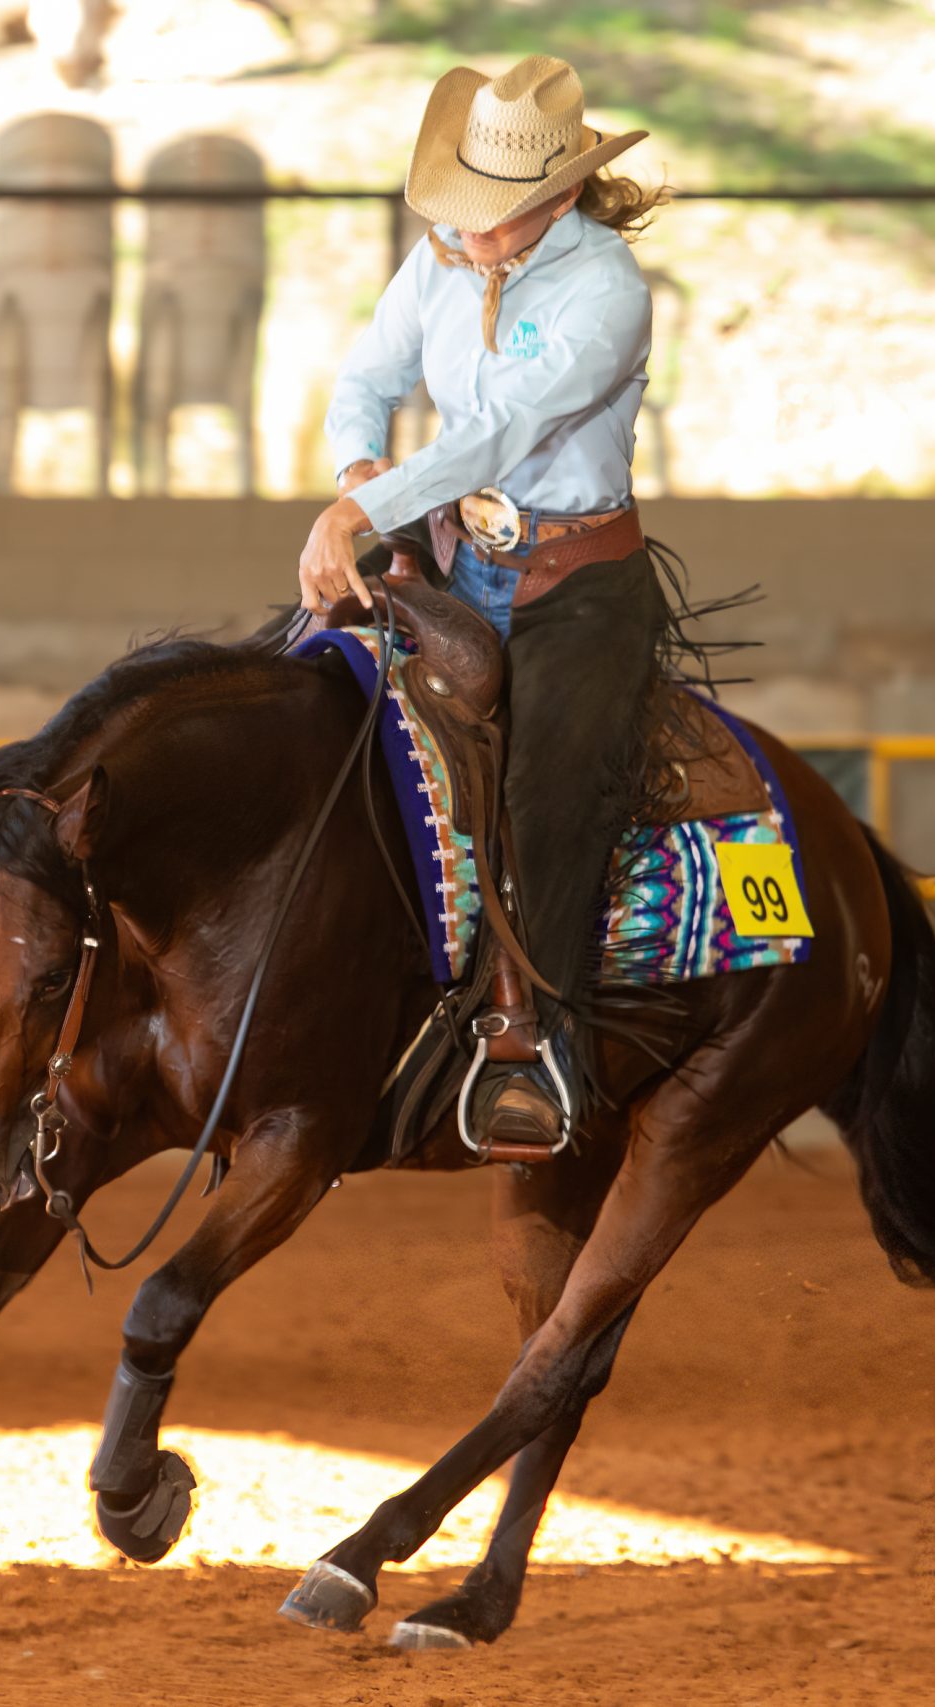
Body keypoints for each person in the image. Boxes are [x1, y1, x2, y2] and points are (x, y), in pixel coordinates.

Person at [297, 53, 670, 1153]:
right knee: (323, 707)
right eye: (461, 211)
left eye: (491, 217)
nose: (469, 234)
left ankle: (540, 1050)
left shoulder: (606, 291)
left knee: (551, 796)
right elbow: (365, 378)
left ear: (555, 200)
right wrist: (358, 468)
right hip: (460, 558)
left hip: (578, 585)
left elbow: (496, 434)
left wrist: (363, 522)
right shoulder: (442, 266)